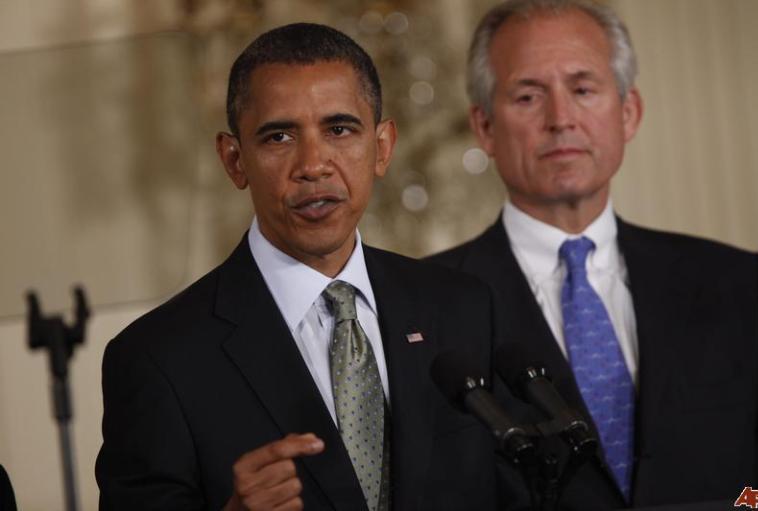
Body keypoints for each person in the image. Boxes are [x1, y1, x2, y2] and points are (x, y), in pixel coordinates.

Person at [96, 23, 502, 511]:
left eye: (339, 129)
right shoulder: (156, 360)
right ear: (233, 160)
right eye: (279, 136)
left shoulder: (461, 308)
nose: (313, 164)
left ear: (383, 147)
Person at [429, 0, 758, 509]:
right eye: (527, 96)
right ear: (484, 128)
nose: (560, 119)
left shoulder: (738, 281)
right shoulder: (427, 305)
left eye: (583, 89)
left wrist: (746, 507)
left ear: (628, 113)